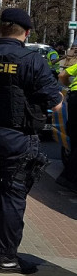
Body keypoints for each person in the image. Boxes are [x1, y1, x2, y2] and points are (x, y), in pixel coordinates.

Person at [0, 8, 62, 274]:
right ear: (27, 32)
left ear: (0, 29)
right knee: (12, 196)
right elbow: (56, 104)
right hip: (18, 139)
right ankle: (6, 258)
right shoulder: (32, 61)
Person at [56, 56, 77, 193]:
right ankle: (69, 179)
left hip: (75, 97)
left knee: (75, 139)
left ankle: (68, 178)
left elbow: (62, 75)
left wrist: (69, 86)